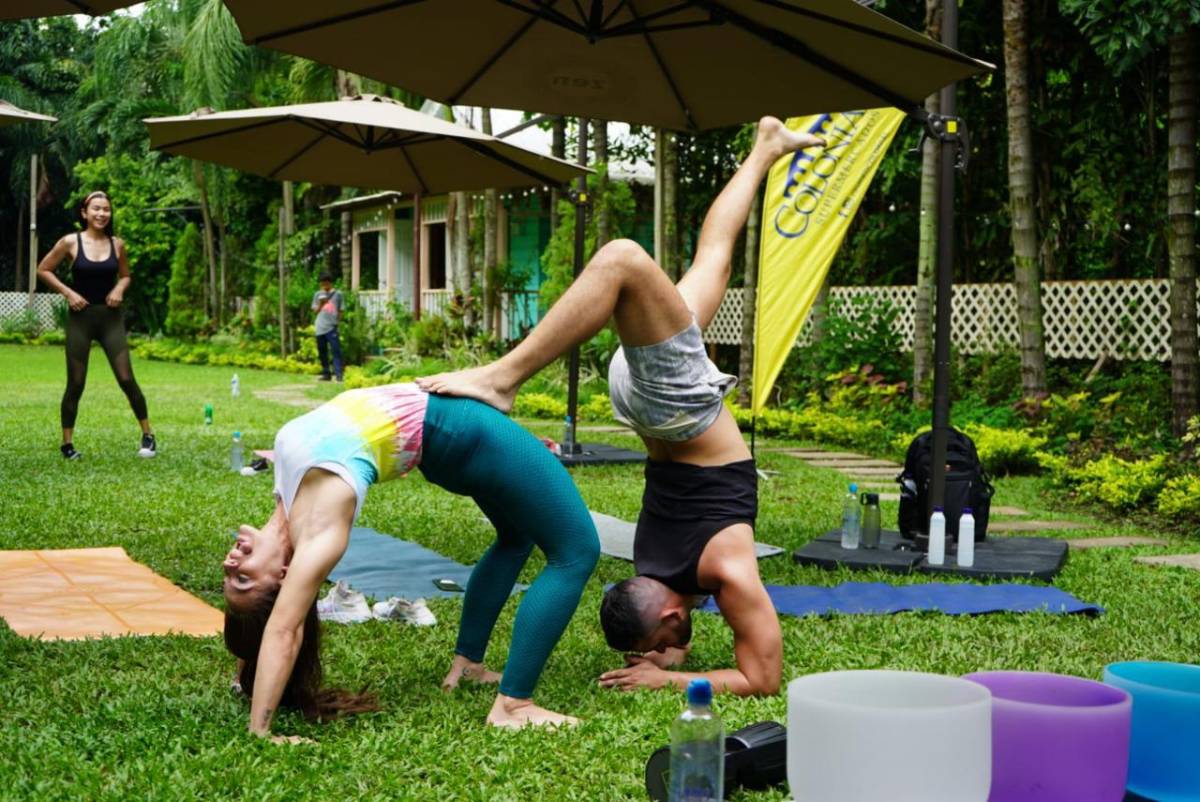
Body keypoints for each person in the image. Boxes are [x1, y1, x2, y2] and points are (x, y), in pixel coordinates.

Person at [418, 117, 825, 697]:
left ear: (668, 618)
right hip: (644, 401)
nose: (673, 646)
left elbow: (747, 673)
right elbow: (726, 657)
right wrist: (665, 665)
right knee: (711, 260)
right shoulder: (653, 569)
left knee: (625, 259)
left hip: (673, 410)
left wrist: (668, 673)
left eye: (662, 643)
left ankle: (503, 379)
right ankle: (763, 149)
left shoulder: (717, 576)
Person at [222, 382, 599, 739]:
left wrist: (248, 667)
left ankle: (467, 666)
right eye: (243, 580)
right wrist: (261, 732)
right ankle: (513, 706)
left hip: (446, 435)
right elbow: (283, 629)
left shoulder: (289, 494)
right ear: (285, 576)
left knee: (515, 537)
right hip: (460, 431)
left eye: (229, 577)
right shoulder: (320, 529)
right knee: (577, 551)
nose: (230, 564)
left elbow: (266, 629)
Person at [36, 190, 156, 460]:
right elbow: (43, 269)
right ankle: (67, 444)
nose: (102, 213)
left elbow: (125, 276)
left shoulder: (118, 244)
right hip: (81, 319)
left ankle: (148, 435)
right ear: (84, 213)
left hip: (110, 320)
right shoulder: (70, 242)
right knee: (75, 383)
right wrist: (69, 293)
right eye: (96, 209)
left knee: (126, 378)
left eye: (106, 209)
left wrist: (119, 288)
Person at [311, 272, 343, 382]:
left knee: (336, 351)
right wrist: (321, 304)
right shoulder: (317, 294)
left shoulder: (338, 294)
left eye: (326, 283)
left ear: (330, 282)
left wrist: (337, 323)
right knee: (322, 352)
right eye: (322, 283)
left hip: (332, 327)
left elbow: (341, 310)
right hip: (320, 327)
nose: (324, 285)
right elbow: (315, 311)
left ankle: (339, 374)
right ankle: (326, 374)